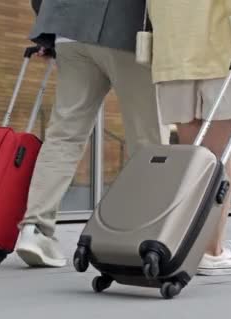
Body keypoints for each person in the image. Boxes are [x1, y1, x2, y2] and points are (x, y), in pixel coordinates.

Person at [15, 0, 169, 268]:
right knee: (148, 142)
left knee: (64, 135)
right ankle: (146, 235)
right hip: (130, 29)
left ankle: (35, 230)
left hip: (70, 29)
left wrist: (48, 25)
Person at [147, 0, 231, 275]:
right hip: (221, 46)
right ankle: (211, 250)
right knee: (218, 158)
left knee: (194, 159)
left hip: (176, 48)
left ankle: (195, 242)